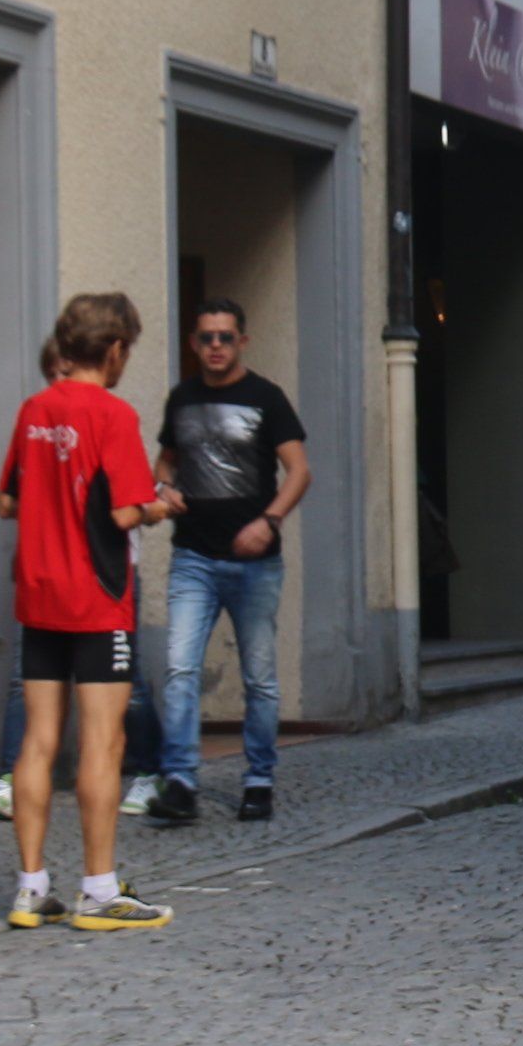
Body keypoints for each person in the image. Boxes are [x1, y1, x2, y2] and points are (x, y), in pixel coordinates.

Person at [0, 292, 189, 933]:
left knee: (38, 740)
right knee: (103, 742)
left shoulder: (34, 410)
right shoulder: (112, 413)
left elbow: (7, 501)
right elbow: (124, 511)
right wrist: (159, 507)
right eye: (126, 350)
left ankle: (31, 890)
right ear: (113, 350)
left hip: (38, 594)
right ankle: (100, 891)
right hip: (98, 598)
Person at [146, 300, 309, 826]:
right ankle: (180, 782)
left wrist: (270, 521)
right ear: (194, 344)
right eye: (206, 338)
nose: (215, 346)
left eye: (224, 337)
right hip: (193, 556)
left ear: (242, 341)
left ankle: (259, 779)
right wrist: (163, 488)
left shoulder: (267, 397)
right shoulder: (182, 398)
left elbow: (299, 471)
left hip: (255, 564)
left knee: (258, 677)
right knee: (180, 668)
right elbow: (166, 461)